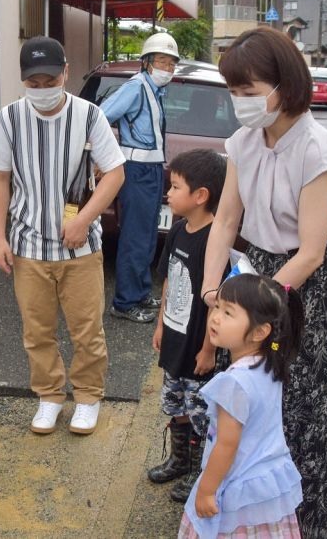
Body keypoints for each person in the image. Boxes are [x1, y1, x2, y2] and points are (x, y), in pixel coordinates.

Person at [200, 26, 327, 538]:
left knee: (303, 409)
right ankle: (241, 517)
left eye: (247, 92)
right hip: (256, 277)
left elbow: (310, 251)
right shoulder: (243, 141)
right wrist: (212, 293)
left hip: (307, 286)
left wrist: (251, 305)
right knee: (246, 402)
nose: (238, 103)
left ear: (283, 86)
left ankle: (303, 527)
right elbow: (224, 222)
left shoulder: (316, 147)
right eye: (234, 92)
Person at [0, 36, 125, 436]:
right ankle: (49, 396)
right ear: (23, 81)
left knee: (87, 330)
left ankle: (87, 397)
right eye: (34, 83)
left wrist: (85, 219)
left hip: (81, 247)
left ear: (66, 73)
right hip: (28, 245)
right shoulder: (9, 118)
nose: (43, 89)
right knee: (37, 330)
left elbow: (114, 172)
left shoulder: (89, 115)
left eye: (50, 80)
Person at [179, 273, 305, 539]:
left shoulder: (234, 382)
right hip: (266, 482)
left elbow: (227, 443)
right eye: (217, 306)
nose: (215, 317)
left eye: (228, 313)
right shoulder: (270, 364)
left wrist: (206, 490)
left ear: (260, 332)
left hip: (237, 483)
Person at [147, 149, 229, 503]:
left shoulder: (215, 241)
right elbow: (168, 279)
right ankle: (180, 461)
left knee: (202, 413)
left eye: (175, 186)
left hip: (198, 346)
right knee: (175, 404)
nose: (168, 193)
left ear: (200, 196)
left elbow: (222, 305)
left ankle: (201, 472)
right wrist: (161, 324)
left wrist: (210, 348)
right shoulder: (178, 230)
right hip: (174, 339)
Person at [99, 32, 180, 324]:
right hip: (136, 171)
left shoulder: (154, 90)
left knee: (146, 237)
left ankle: (140, 292)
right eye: (162, 61)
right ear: (146, 63)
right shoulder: (135, 88)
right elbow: (99, 117)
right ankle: (124, 302)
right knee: (135, 237)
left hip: (152, 170)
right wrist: (105, 156)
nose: (167, 68)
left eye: (172, 64)